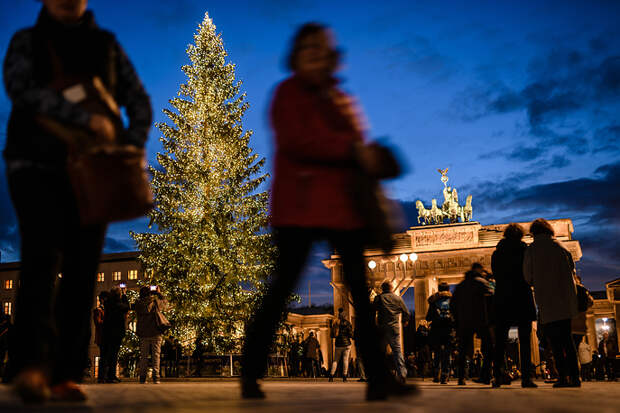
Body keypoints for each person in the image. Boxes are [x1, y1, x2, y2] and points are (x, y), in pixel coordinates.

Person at [239, 22, 415, 401]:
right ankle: (250, 372)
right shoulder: (287, 93)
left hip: (341, 206)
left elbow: (357, 146)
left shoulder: (339, 97)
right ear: (298, 54)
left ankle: (379, 381)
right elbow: (298, 140)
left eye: (323, 48)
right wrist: (353, 151)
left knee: (359, 296)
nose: (317, 54)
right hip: (298, 205)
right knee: (281, 289)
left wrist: (367, 161)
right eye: (309, 48)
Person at [3, 0, 151, 402]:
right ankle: (31, 366)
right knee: (40, 262)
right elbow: (21, 90)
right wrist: (87, 120)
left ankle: (65, 373)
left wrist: (131, 146)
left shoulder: (105, 45)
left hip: (94, 169)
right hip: (35, 164)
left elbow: (138, 98)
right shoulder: (27, 41)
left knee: (84, 269)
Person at [524, 218, 580, 387]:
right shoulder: (561, 247)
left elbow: (527, 276)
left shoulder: (531, 249)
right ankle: (575, 377)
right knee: (568, 341)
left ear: (533, 233)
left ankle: (562, 377)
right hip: (565, 299)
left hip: (546, 300)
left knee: (555, 342)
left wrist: (537, 282)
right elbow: (572, 271)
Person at [491, 223, 537, 388]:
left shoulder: (497, 253)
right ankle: (526, 378)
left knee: (500, 341)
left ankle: (497, 376)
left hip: (503, 297)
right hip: (522, 296)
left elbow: (495, 273)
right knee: (525, 340)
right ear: (520, 236)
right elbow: (530, 273)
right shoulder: (525, 251)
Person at [450, 264, 494, 386]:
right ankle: (485, 375)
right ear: (479, 270)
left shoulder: (461, 285)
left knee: (463, 350)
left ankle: (461, 377)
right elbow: (492, 296)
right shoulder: (482, 282)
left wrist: (457, 319)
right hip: (481, 320)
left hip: (464, 321)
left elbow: (452, 304)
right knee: (488, 348)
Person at [373, 282, 410, 384]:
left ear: (382, 288)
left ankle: (380, 375)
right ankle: (402, 373)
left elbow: (372, 310)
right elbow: (406, 312)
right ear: (392, 288)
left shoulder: (379, 298)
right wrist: (405, 321)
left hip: (382, 328)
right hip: (394, 328)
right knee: (397, 351)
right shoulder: (398, 298)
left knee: (381, 352)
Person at [134, 286, 167, 384]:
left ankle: (142, 377)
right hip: (155, 332)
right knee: (156, 355)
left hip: (143, 333)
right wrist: (159, 294)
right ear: (150, 293)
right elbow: (165, 305)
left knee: (143, 356)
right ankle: (156, 377)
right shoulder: (155, 302)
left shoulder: (138, 304)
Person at [100, 287, 129, 384]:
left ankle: (103, 376)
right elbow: (126, 307)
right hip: (116, 333)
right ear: (118, 295)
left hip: (107, 332)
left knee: (106, 354)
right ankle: (111, 376)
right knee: (113, 354)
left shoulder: (108, 303)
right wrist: (124, 295)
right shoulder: (118, 304)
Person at [426, 282, 454, 384]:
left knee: (437, 353)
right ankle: (445, 376)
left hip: (436, 330)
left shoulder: (434, 301)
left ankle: (436, 374)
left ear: (438, 289)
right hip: (448, 329)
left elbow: (428, 317)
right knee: (447, 353)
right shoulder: (452, 300)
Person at [329, 308, 353, 382]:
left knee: (335, 360)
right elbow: (350, 334)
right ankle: (344, 376)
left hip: (338, 344)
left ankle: (331, 375)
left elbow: (332, 335)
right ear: (345, 316)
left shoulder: (335, 323)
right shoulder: (348, 323)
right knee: (345, 360)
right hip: (347, 344)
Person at [571, 276, 593, 349]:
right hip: (580, 326)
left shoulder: (566, 290)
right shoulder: (582, 290)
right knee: (575, 349)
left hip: (568, 325)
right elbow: (590, 303)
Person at [93, 290, 108, 383]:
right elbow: (98, 322)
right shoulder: (98, 310)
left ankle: (104, 376)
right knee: (103, 356)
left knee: (105, 356)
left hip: (105, 336)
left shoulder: (105, 309)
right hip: (102, 336)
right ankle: (101, 377)